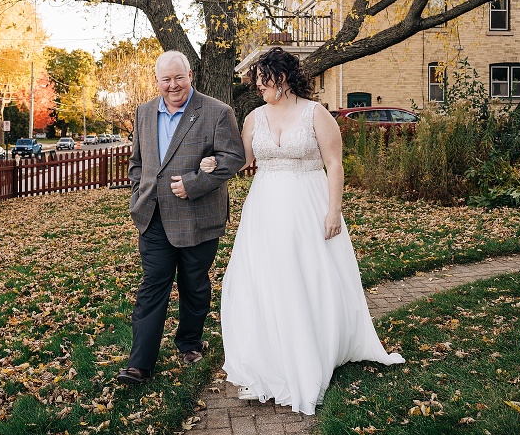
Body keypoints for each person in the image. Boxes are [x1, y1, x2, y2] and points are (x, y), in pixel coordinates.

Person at [215, 47, 404, 414]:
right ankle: (271, 356)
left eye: (262, 80)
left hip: (308, 204)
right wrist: (215, 160)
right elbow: (244, 160)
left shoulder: (315, 114)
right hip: (265, 208)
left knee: (308, 276)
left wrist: (334, 210)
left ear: (281, 78)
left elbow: (334, 164)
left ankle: (312, 349)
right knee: (266, 280)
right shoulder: (254, 117)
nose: (258, 87)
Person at [116, 50, 246, 385]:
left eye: (179, 77)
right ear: (156, 80)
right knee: (153, 285)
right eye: (166, 79)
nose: (173, 85)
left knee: (194, 284)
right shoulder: (144, 112)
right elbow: (138, 163)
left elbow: (234, 157)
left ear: (191, 75)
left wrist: (195, 183)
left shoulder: (217, 112)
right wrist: (138, 194)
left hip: (198, 216)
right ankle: (140, 364)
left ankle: (189, 342)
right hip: (153, 217)